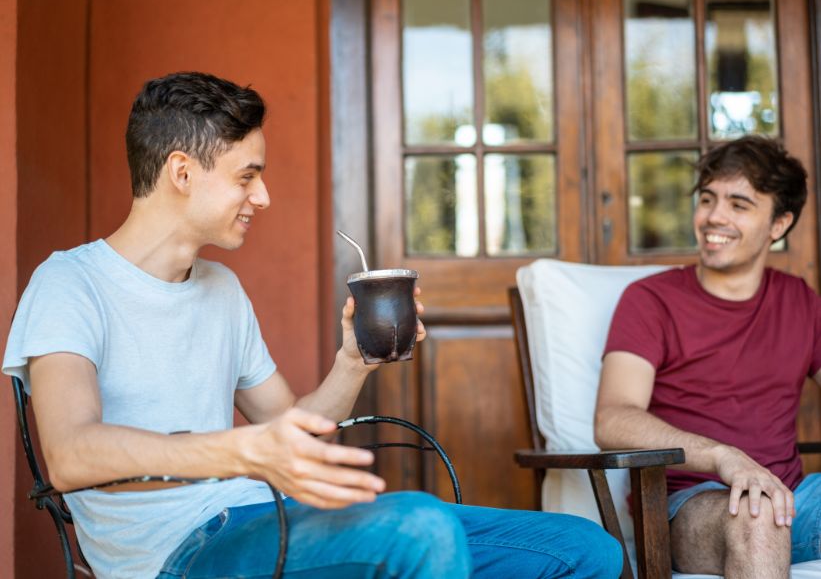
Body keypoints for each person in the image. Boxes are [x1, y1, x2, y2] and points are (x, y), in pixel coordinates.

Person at [3, 71, 622, 579]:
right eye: (247, 176)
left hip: (276, 516)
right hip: (179, 551)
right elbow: (70, 454)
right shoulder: (71, 283)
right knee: (417, 529)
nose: (264, 197)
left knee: (585, 548)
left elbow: (292, 432)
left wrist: (352, 360)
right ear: (182, 172)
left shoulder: (221, 289)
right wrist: (240, 452)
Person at [595, 135, 821, 577]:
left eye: (739, 204)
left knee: (765, 507)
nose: (714, 217)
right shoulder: (649, 301)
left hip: (794, 499)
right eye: (707, 199)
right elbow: (613, 419)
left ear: (779, 224)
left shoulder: (800, 301)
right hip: (687, 506)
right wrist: (722, 456)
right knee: (757, 514)